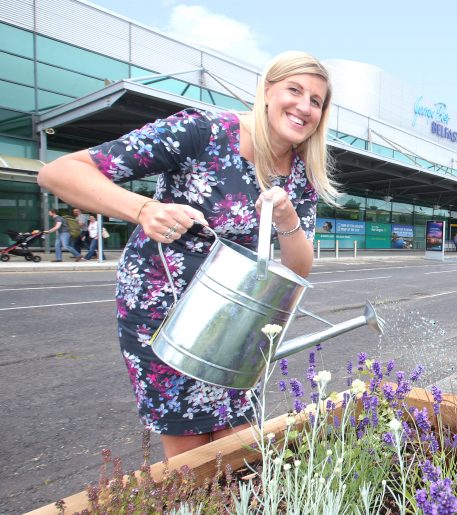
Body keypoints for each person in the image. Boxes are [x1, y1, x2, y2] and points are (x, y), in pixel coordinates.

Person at [37, 51, 337, 457]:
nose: (304, 106)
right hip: (164, 309)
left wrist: (286, 216)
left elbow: (298, 267)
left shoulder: (301, 172)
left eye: (316, 101)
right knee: (192, 451)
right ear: (267, 91)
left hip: (236, 316)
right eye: (294, 90)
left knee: (239, 446)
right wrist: (143, 209)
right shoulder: (202, 131)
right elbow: (59, 172)